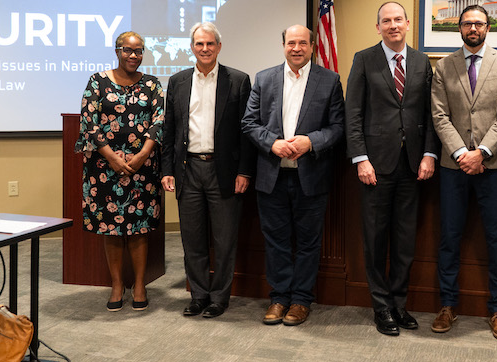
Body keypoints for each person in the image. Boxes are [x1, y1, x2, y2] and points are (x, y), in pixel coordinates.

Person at [345, 1, 439, 336]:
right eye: (386, 20)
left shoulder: (421, 61)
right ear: (378, 27)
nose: (393, 25)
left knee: (404, 239)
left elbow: (430, 114)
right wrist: (360, 158)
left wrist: (429, 153)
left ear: (408, 23)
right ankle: (381, 307)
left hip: (412, 166)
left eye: (398, 19)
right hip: (375, 166)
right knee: (375, 238)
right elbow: (352, 114)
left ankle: (399, 304)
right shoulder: (364, 59)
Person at [242, 25, 345, 326]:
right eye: (291, 42)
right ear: (283, 45)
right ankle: (278, 298)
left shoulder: (330, 81)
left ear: (313, 46)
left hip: (310, 176)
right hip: (272, 176)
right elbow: (249, 123)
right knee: (276, 240)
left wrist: (310, 141)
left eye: (303, 43)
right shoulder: (264, 78)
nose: (296, 48)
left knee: (309, 241)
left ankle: (300, 300)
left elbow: (338, 127)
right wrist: (272, 143)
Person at [429, 4, 497, 340]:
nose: (472, 28)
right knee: (449, 238)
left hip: (494, 167)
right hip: (453, 167)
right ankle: (448, 305)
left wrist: (481, 153)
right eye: (467, 23)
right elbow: (439, 116)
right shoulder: (443, 66)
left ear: (488, 27)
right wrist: (461, 154)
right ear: (459, 27)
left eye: (478, 23)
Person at [160, 22, 253, 319]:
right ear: (192, 47)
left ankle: (219, 298)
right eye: (199, 44)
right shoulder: (177, 81)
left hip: (223, 171)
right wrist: (167, 169)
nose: (205, 49)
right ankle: (198, 295)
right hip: (188, 169)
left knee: (224, 240)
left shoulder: (238, 80)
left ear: (219, 46)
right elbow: (170, 130)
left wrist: (245, 171)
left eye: (210, 44)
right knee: (192, 238)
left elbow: (246, 132)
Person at [76, 31, 164, 312]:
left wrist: (142, 155)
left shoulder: (152, 84)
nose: (134, 56)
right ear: (117, 51)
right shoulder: (97, 81)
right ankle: (116, 285)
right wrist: (112, 158)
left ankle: (139, 284)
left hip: (142, 168)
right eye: (128, 50)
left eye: (139, 51)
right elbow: (89, 123)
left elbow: (158, 122)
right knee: (111, 229)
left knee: (139, 229)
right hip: (104, 168)